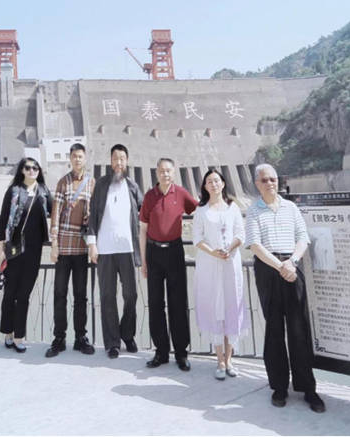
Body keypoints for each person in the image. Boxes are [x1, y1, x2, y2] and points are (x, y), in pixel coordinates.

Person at [245, 163, 325, 413]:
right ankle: (279, 387)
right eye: (265, 180)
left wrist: (292, 262)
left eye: (273, 179)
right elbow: (255, 245)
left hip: (292, 266)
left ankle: (308, 387)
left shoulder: (291, 207)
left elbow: (303, 237)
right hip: (269, 270)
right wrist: (281, 265)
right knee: (274, 329)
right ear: (257, 184)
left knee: (299, 328)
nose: (270, 183)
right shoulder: (253, 211)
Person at [138, 158, 197, 371]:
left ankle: (181, 353)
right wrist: (143, 260)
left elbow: (199, 210)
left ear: (174, 172)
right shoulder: (149, 196)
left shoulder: (181, 193)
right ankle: (161, 352)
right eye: (162, 171)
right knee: (155, 303)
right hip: (153, 252)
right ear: (157, 173)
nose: (165, 174)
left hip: (175, 251)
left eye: (169, 171)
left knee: (178, 303)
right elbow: (143, 230)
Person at [87, 144, 143, 359]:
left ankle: (127, 334)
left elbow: (144, 211)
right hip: (105, 249)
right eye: (115, 159)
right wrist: (92, 244)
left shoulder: (132, 186)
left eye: (122, 158)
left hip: (127, 249)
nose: (118, 162)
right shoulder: (101, 185)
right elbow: (93, 215)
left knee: (131, 295)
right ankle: (112, 342)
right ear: (110, 162)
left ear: (126, 161)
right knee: (107, 296)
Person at [192, 169, 249, 380]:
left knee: (231, 305)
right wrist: (213, 253)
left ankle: (230, 359)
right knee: (215, 308)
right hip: (209, 264)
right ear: (205, 187)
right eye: (209, 181)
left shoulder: (233, 208)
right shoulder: (201, 211)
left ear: (223, 183)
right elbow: (197, 238)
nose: (214, 184)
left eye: (216, 180)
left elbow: (240, 234)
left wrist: (229, 249)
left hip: (230, 264)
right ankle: (220, 360)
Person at [0, 157, 52, 353]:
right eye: (28, 168)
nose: (32, 171)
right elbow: (3, 222)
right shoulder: (13, 191)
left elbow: (56, 212)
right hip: (13, 249)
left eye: (35, 168)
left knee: (24, 294)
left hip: (34, 251)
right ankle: (8, 333)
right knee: (10, 293)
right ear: (21, 170)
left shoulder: (44, 191)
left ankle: (19, 336)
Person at [46, 143, 96, 357]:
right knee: (59, 294)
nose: (77, 159)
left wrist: (93, 243)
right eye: (74, 156)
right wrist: (54, 245)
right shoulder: (62, 182)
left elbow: (94, 215)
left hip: (82, 248)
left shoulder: (91, 183)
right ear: (70, 158)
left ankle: (80, 338)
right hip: (64, 248)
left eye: (80, 156)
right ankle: (59, 338)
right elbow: (55, 215)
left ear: (85, 158)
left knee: (80, 296)